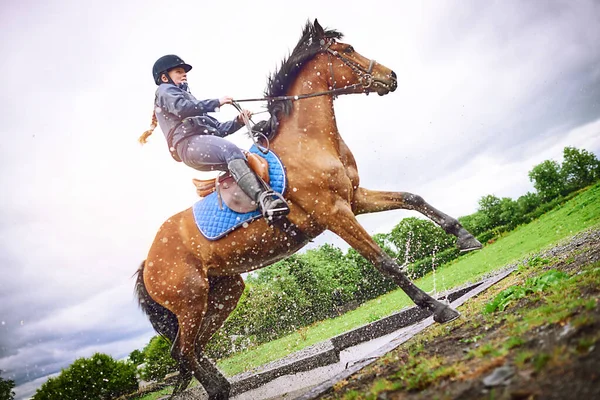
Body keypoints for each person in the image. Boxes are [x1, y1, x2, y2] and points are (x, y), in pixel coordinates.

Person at [139, 54, 289, 219]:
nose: (184, 74)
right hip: (188, 145)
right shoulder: (164, 90)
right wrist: (217, 102)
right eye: (179, 71)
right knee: (229, 149)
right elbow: (183, 108)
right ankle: (264, 200)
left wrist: (238, 121)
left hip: (199, 144)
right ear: (164, 77)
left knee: (244, 156)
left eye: (184, 72)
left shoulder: (191, 100)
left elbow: (218, 129)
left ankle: (258, 205)